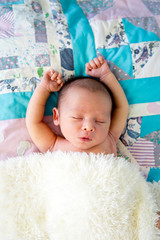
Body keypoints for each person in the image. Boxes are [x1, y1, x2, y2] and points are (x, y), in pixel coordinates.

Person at [26, 55, 129, 155]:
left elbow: (121, 108)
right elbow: (34, 122)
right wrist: (44, 88)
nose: (88, 127)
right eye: (77, 117)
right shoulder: (53, 146)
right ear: (57, 116)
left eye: (100, 121)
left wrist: (106, 76)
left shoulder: (109, 140)